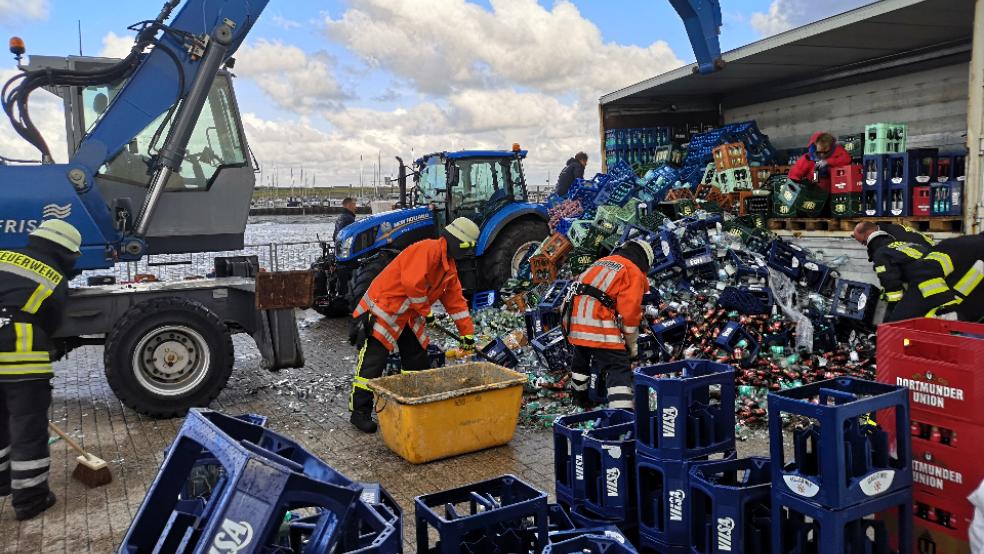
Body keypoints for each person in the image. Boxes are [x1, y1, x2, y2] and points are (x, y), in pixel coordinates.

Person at [348, 217, 479, 433]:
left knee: (417, 357)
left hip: (408, 313)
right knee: (373, 361)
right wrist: (426, 312)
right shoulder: (426, 250)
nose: (466, 253)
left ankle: (413, 402)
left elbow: (456, 303)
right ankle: (360, 412)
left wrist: (467, 334)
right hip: (385, 309)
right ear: (457, 242)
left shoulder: (449, 268)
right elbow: (412, 283)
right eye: (466, 248)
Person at [0, 220, 81, 520]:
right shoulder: (53, 275)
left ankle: (2, 483)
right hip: (21, 359)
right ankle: (31, 499)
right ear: (66, 252)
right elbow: (49, 321)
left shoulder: (3, 255)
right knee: (27, 428)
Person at [564, 239, 653, 410]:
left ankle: (579, 400)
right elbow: (629, 311)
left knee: (581, 359)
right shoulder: (633, 270)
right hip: (596, 321)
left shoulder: (602, 261)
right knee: (618, 365)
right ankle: (621, 414)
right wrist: (632, 344)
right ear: (644, 259)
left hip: (574, 319)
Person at [852, 223, 960, 322]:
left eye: (864, 243)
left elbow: (892, 287)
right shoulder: (901, 242)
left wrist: (892, 311)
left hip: (927, 285)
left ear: (870, 241)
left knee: (899, 323)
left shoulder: (881, 253)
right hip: (944, 281)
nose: (864, 246)